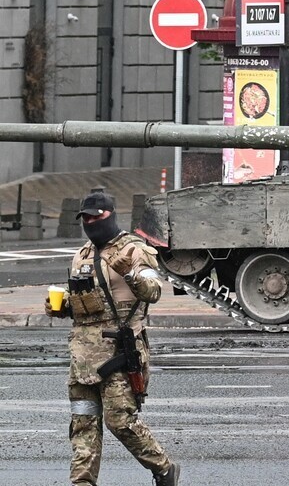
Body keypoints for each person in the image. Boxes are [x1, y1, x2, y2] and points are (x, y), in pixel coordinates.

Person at [46, 189, 180, 486]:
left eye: (97, 217)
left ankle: (164, 467)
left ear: (110, 215)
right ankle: (82, 482)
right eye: (86, 218)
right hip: (82, 358)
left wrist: (130, 273)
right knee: (83, 425)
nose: (91, 222)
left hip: (118, 351)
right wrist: (62, 306)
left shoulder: (133, 249)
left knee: (120, 421)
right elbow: (80, 299)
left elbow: (153, 292)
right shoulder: (81, 254)